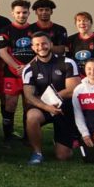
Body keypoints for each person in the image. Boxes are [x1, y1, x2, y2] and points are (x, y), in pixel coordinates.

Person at [21, 32, 81, 165]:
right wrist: (47, 107)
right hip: (43, 106)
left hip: (64, 108)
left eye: (44, 43)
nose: (41, 47)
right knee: (32, 116)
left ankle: (63, 140)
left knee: (63, 156)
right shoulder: (29, 69)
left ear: (51, 45)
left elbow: (72, 89)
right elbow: (29, 96)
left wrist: (54, 99)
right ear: (32, 48)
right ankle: (37, 152)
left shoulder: (68, 62)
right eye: (37, 44)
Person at [0, 0, 37, 143]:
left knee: (29, 104)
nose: (21, 15)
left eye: (24, 12)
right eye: (18, 12)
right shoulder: (5, 30)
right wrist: (16, 67)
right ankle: (8, 136)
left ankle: (28, 136)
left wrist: (27, 68)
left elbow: (40, 52)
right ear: (12, 13)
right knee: (10, 104)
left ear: (29, 13)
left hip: (30, 74)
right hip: (11, 74)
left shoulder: (35, 30)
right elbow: (3, 53)